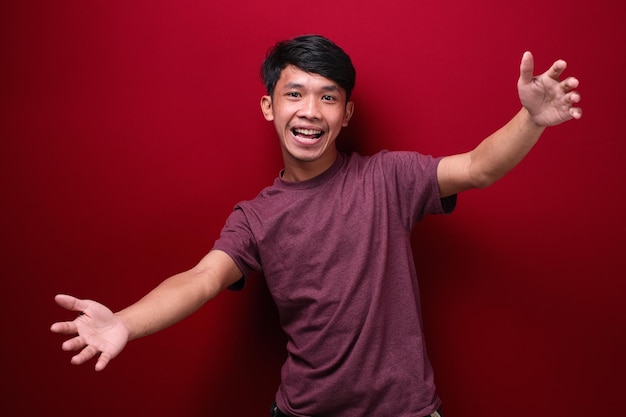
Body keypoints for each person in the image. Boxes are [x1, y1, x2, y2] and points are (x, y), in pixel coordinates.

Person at [50, 35, 582, 417]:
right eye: (295, 93)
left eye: (328, 97)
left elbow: (479, 167)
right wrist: (125, 322)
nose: (311, 110)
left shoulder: (388, 177)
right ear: (269, 106)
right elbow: (199, 278)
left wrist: (530, 119)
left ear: (345, 114)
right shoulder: (256, 217)